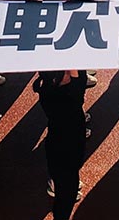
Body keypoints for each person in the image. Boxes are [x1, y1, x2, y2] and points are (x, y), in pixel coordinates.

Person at [35, 70, 88, 220]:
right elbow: (79, 85)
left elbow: (79, 81)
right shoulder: (69, 97)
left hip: (58, 146)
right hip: (67, 151)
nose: (72, 72)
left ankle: (58, 186)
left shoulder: (48, 91)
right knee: (67, 195)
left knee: (64, 184)